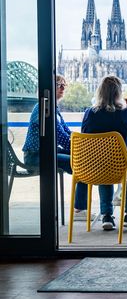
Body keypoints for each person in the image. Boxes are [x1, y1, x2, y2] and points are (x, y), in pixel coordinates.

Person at [22, 74, 90, 220]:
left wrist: (85, 145)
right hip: (36, 157)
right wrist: (86, 148)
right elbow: (63, 139)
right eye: (59, 85)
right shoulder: (43, 108)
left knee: (85, 159)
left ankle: (80, 208)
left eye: (64, 85)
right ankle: (80, 210)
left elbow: (68, 133)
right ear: (49, 87)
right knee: (84, 164)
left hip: (47, 153)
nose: (63, 88)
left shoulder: (54, 109)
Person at [81, 75, 127, 231]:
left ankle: (107, 215)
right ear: (119, 93)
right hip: (122, 168)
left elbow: (84, 135)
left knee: (105, 170)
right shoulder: (125, 114)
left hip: (95, 167)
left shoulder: (90, 113)